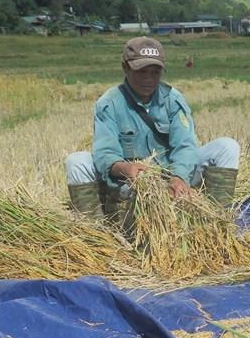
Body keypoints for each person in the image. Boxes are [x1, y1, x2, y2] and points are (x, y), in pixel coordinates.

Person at [64, 37, 240, 218]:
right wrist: (124, 168)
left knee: (227, 147)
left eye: (155, 72)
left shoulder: (173, 99)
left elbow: (185, 145)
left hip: (171, 175)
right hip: (129, 183)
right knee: (76, 161)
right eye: (141, 72)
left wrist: (179, 177)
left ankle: (216, 219)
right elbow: (105, 152)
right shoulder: (109, 103)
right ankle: (95, 229)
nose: (148, 79)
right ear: (125, 68)